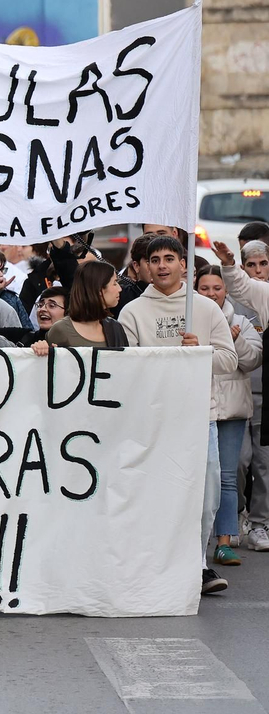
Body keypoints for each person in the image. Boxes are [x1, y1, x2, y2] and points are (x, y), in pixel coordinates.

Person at [123, 236, 237, 595]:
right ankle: (155, 562)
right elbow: (128, 368)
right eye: (154, 259)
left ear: (183, 265)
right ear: (144, 266)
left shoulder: (205, 309)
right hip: (153, 420)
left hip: (199, 417)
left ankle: (198, 563)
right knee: (154, 492)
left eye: (169, 258)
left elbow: (229, 361)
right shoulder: (132, 312)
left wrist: (199, 352)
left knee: (205, 494)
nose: (161, 266)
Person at [197, 265, 262, 568]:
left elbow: (252, 361)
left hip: (233, 409)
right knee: (200, 476)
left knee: (229, 474)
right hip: (198, 407)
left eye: (217, 288)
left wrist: (234, 339)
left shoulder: (242, 321)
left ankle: (225, 540)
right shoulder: (191, 318)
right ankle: (198, 541)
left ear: (227, 290)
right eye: (205, 288)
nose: (211, 293)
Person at [44, 262, 129, 349]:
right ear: (99, 289)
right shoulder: (61, 330)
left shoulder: (115, 327)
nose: (120, 288)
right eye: (114, 283)